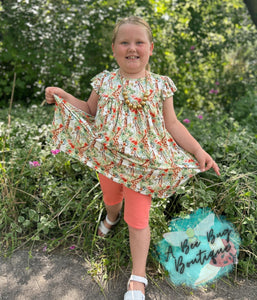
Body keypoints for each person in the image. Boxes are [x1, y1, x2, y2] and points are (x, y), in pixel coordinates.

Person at [45, 16, 220, 300]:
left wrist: (198, 150)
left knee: (138, 219)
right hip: (109, 159)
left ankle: (138, 277)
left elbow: (173, 124)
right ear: (114, 48)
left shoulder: (160, 85)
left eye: (139, 42)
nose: (132, 48)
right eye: (124, 42)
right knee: (111, 200)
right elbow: (89, 111)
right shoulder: (104, 82)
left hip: (144, 166)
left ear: (150, 48)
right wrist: (63, 95)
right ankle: (111, 217)